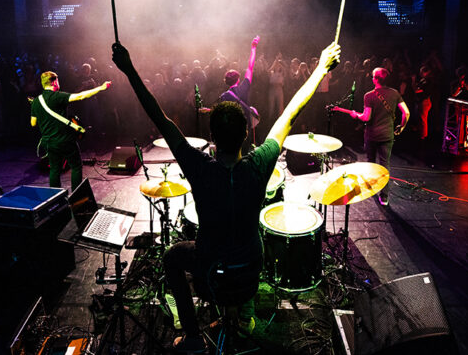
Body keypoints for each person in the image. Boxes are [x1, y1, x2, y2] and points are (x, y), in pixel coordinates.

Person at [112, 40, 340, 352]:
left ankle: (193, 336)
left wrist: (129, 70)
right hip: (248, 273)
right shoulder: (260, 164)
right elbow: (291, 110)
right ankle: (242, 317)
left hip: (209, 277)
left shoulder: (199, 167)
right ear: (246, 134)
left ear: (212, 137)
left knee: (171, 257)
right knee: (245, 246)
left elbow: (159, 117)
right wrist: (321, 69)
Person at [333, 67, 409, 206]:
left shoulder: (369, 95)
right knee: (384, 166)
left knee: (370, 162)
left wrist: (356, 115)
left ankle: (370, 188)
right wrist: (401, 127)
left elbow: (366, 117)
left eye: (373, 76)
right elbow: (406, 113)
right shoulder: (395, 93)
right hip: (387, 135)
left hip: (372, 135)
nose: (372, 78)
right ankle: (384, 197)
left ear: (376, 79)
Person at [30, 71, 111, 190]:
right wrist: (101, 87)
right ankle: (76, 197)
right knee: (76, 166)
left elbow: (33, 123)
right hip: (66, 140)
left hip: (49, 142)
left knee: (54, 169)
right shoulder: (58, 96)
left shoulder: (36, 101)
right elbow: (81, 96)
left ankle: (56, 199)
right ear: (54, 82)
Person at [201, 36, 261, 145]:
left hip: (233, 127)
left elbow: (220, 111)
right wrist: (253, 48)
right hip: (245, 125)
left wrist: (208, 110)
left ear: (226, 81)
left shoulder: (224, 96)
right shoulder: (244, 86)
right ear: (238, 78)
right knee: (245, 150)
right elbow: (250, 67)